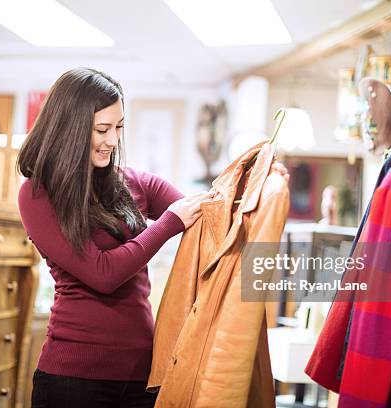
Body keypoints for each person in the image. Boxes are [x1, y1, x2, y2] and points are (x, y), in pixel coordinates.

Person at [17, 67, 289, 407]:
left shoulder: (133, 182)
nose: (113, 140)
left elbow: (212, 213)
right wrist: (168, 224)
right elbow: (104, 274)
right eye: (102, 129)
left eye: (118, 127)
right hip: (73, 380)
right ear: (71, 128)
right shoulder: (38, 194)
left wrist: (260, 179)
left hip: (140, 377)